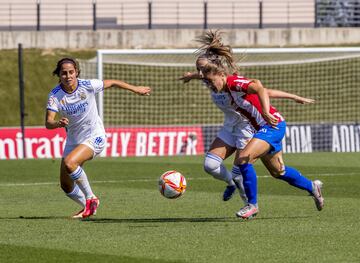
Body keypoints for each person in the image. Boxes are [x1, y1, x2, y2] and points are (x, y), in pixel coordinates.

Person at [181, 31, 318, 212]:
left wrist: (268, 111)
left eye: (209, 79)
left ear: (219, 73)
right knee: (278, 172)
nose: (208, 84)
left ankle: (251, 205)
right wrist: (192, 76)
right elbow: (266, 91)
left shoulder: (234, 83)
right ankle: (312, 187)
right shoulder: (214, 78)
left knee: (243, 161)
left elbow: (260, 87)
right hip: (249, 126)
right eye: (204, 79)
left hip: (269, 125)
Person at [45, 57, 151, 219]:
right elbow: (48, 122)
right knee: (66, 185)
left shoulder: (87, 85)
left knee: (70, 163)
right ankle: (88, 207)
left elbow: (113, 82)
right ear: (59, 75)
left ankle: (91, 198)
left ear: (77, 72)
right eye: (64, 73)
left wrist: (135, 89)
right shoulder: (55, 95)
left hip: (95, 136)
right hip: (74, 140)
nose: (68, 76)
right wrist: (58, 123)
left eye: (71, 72)